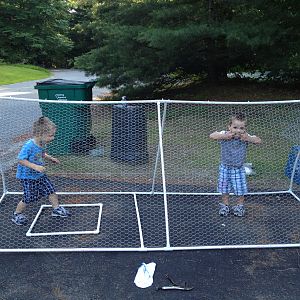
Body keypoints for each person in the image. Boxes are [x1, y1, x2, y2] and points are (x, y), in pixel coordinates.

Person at [12, 116, 70, 225]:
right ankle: (16, 214)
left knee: (51, 190)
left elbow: (42, 154)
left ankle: (56, 209)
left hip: (39, 175)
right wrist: (35, 167)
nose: (53, 138)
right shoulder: (29, 146)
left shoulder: (42, 143)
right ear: (40, 134)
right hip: (27, 177)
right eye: (50, 135)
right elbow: (20, 159)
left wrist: (50, 158)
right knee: (29, 197)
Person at [209, 113, 262, 217]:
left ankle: (239, 206)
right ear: (229, 127)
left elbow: (258, 140)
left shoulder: (246, 136)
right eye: (235, 127)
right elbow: (212, 135)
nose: (238, 130)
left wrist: (248, 139)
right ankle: (225, 206)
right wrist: (224, 136)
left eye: (241, 128)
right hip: (225, 167)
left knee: (240, 189)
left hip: (238, 168)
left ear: (245, 129)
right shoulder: (225, 134)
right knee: (224, 188)